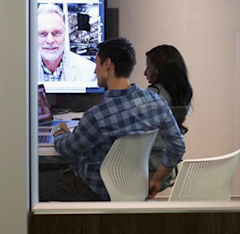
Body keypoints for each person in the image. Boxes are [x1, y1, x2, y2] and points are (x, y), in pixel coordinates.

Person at [41, 37, 185, 201]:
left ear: (107, 64)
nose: (95, 71)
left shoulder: (97, 116)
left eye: (96, 64)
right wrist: (156, 179)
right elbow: (177, 147)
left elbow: (67, 149)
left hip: (94, 190)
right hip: (135, 188)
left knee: (34, 182)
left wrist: (59, 131)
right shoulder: (156, 102)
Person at [143, 44, 195, 192]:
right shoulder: (178, 97)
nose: (144, 73)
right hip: (166, 170)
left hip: (149, 173)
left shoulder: (152, 96)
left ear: (159, 71)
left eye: (148, 67)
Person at [37, 3, 95, 84]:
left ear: (65, 34)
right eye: (43, 34)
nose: (50, 40)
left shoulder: (90, 72)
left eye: (56, 33)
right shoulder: (20, 70)